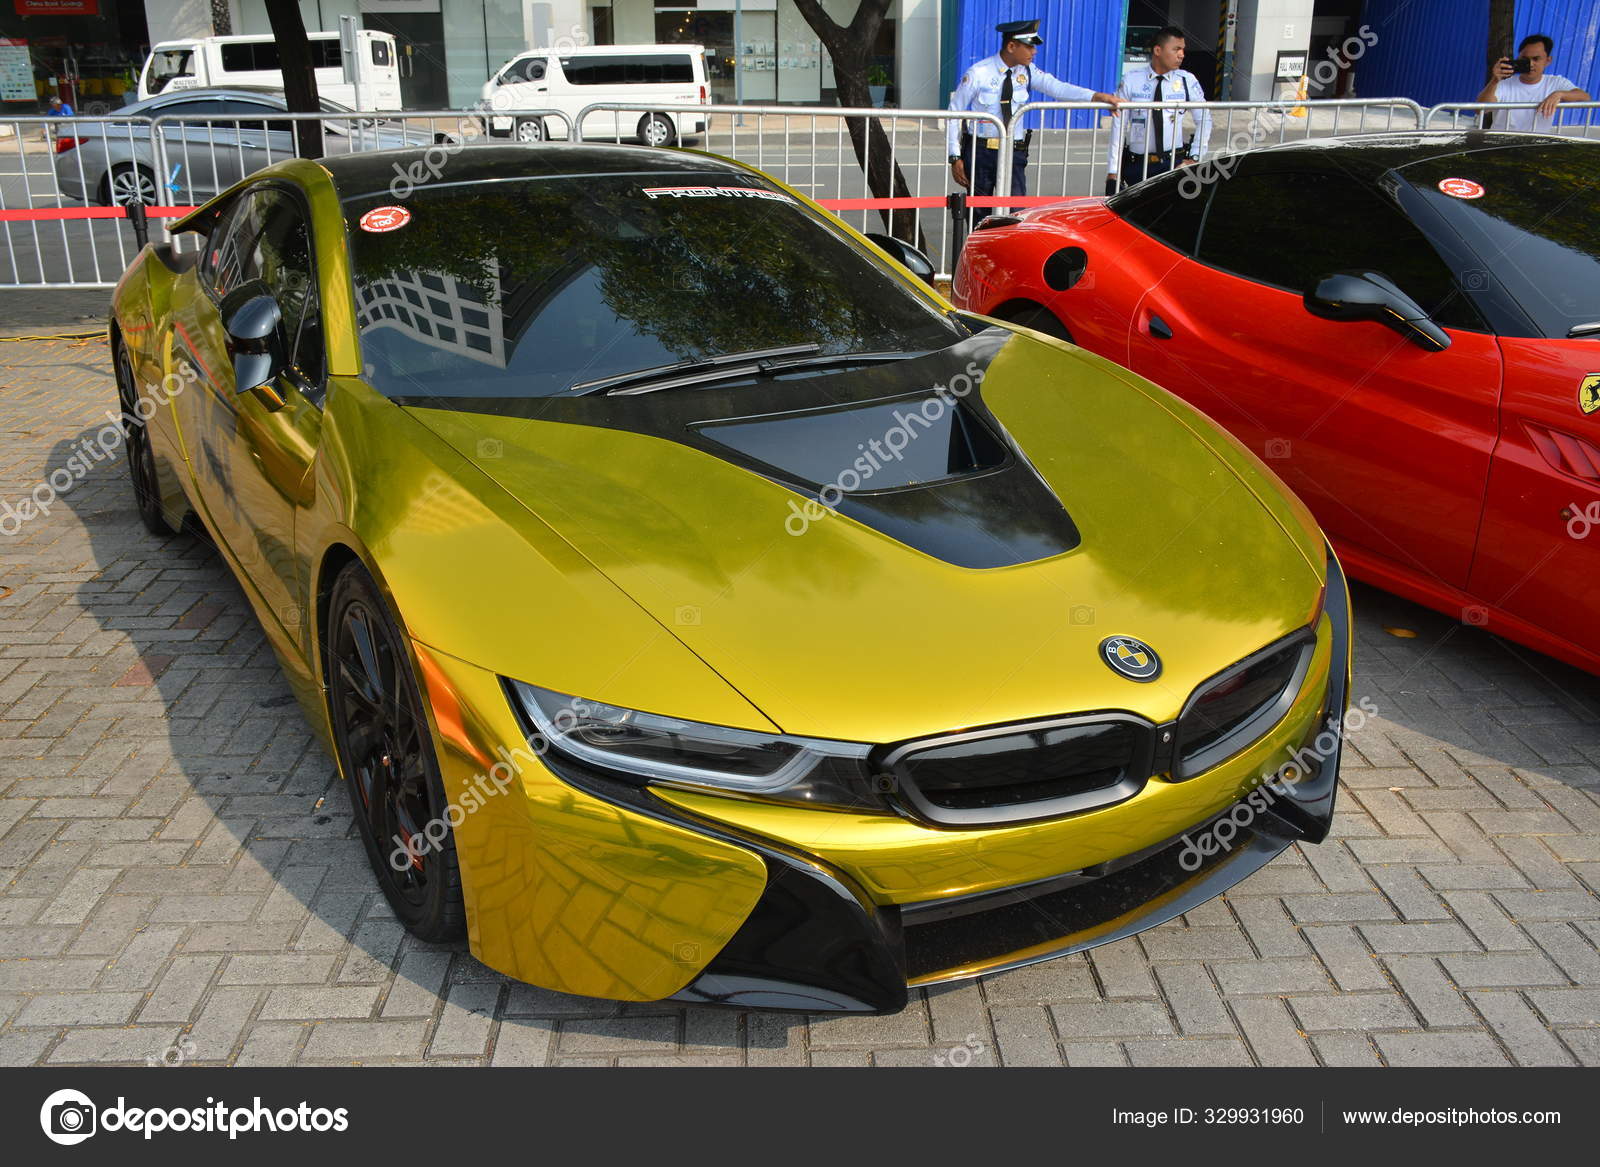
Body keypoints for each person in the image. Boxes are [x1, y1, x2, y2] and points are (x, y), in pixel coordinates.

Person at [948, 19, 1120, 199]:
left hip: (1013, 152)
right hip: (981, 153)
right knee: (978, 212)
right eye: (1029, 47)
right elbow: (954, 112)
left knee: (1016, 211)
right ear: (1012, 46)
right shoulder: (979, 73)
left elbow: (1057, 87)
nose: (1034, 51)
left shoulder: (1028, 71)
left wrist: (1096, 96)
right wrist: (954, 156)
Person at [1105, 26, 1211, 195]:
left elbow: (1204, 118)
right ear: (1158, 50)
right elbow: (1118, 126)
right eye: (1176, 49)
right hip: (1137, 166)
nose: (1182, 55)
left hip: (1173, 164)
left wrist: (1195, 157)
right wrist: (1113, 171)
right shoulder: (1132, 79)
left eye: (1183, 50)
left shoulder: (1186, 81)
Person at [1477, 35, 1590, 132]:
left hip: (1535, 147)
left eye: (1536, 59)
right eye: (1525, 59)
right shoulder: (1503, 83)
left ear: (1548, 61)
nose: (1531, 64)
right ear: (1518, 58)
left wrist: (1559, 94)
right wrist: (1494, 80)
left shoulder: (1555, 83)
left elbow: (1585, 98)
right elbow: (1480, 109)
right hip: (1502, 146)